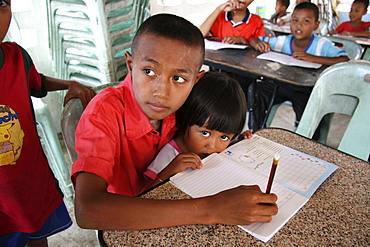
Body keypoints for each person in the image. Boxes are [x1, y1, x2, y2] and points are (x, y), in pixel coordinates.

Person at [72, 13, 278, 231]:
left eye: (178, 78)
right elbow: (88, 211)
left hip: (180, 197)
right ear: (131, 65)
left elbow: (206, 132)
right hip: (127, 220)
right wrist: (212, 209)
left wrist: (236, 140)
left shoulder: (187, 99)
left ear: (195, 80)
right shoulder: (103, 114)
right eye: (149, 71)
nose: (162, 92)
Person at [0, 1, 96, 246]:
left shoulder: (17, 59)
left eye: (1, 3)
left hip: (29, 182)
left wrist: (69, 84)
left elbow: (37, 83)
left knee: (38, 236)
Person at [142, 72, 253, 191]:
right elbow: (144, 197)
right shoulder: (170, 155)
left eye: (224, 137)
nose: (212, 146)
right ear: (186, 120)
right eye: (205, 133)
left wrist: (238, 143)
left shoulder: (214, 149)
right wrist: (167, 172)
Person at [248, 2, 349, 130]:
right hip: (281, 85)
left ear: (315, 25)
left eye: (306, 21)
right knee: (257, 90)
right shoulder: (282, 41)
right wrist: (258, 44)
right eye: (295, 20)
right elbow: (253, 39)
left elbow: (344, 59)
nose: (299, 25)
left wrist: (312, 58)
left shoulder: (321, 44)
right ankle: (256, 130)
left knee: (308, 105)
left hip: (305, 90)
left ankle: (306, 135)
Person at [199, 0, 265, 45]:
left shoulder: (256, 20)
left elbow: (258, 46)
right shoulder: (219, 16)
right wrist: (219, 9)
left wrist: (242, 40)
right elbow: (199, 35)